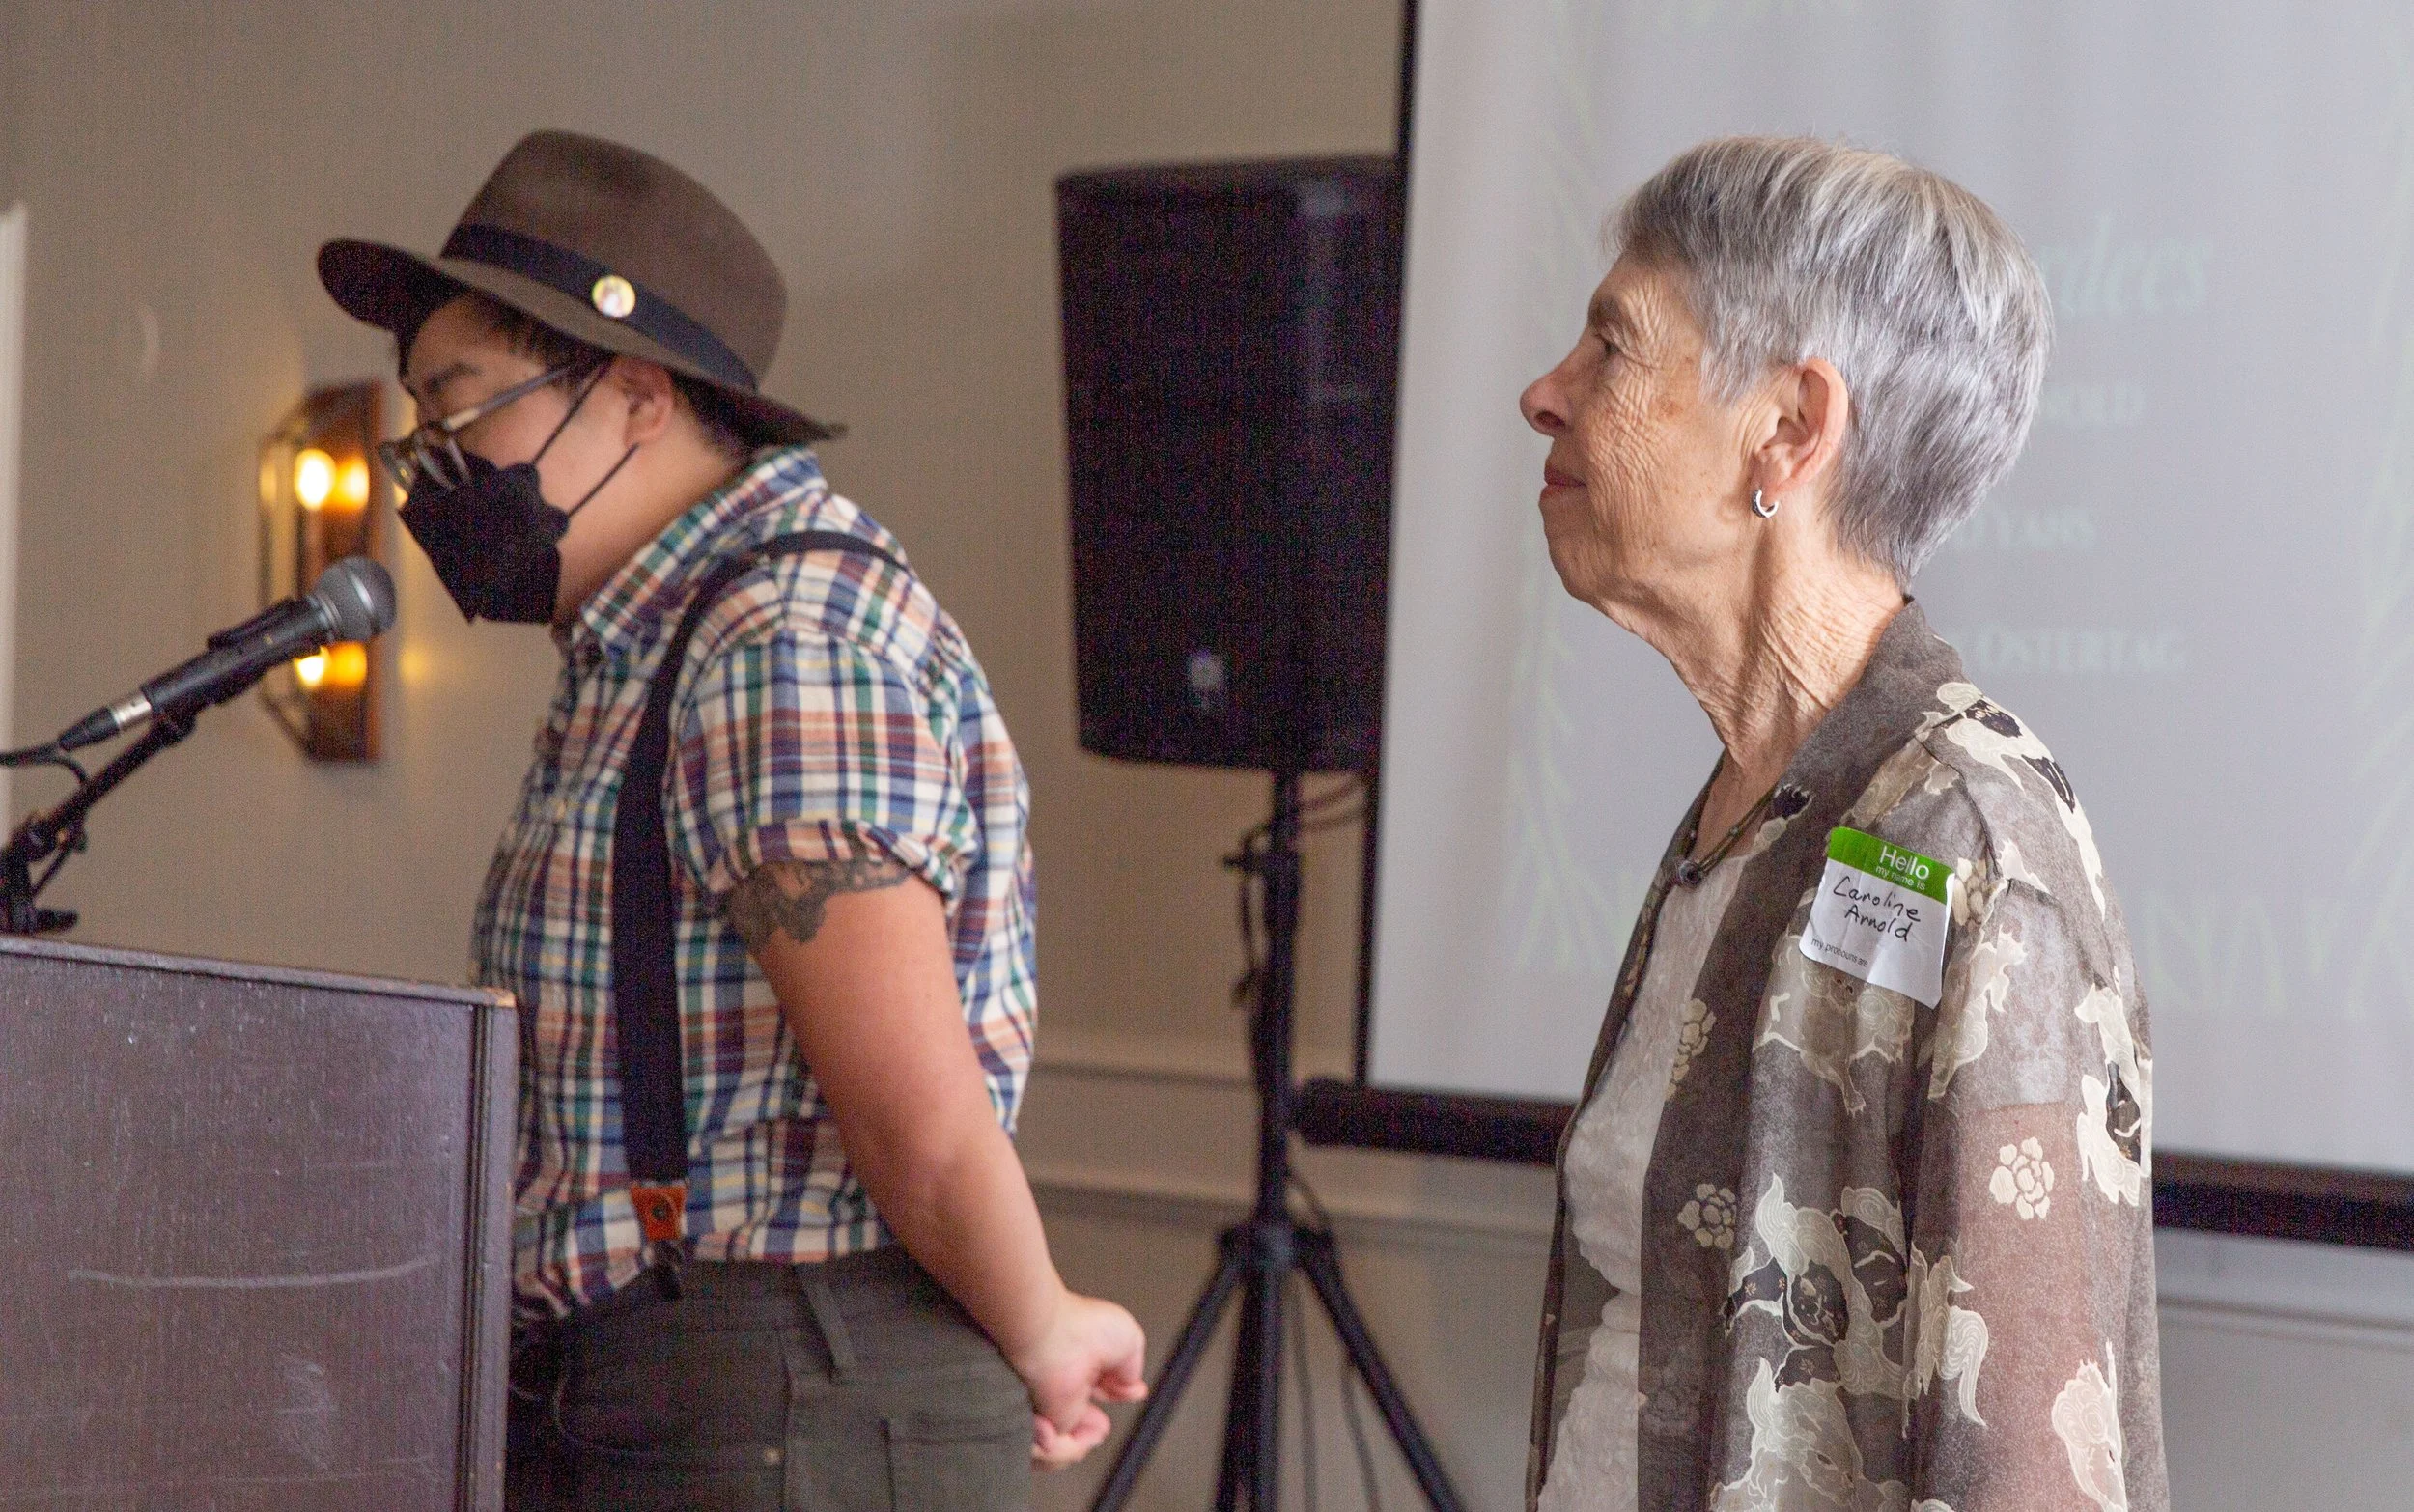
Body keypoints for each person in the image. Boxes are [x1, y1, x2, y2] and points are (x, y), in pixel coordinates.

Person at [317, 130, 1143, 1509]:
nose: (431, 464)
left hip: (785, 1386)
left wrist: (1047, 1324)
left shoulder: (777, 642)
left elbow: (914, 1113)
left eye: (461, 408)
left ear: (637, 396)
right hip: (698, 1385)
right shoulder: (656, 642)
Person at [1513, 136, 2166, 1512]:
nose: (1544, 394)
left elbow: (2030, 1469)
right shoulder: (1747, 818)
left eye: (1612, 349)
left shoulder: (1967, 843)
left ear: (1792, 430)